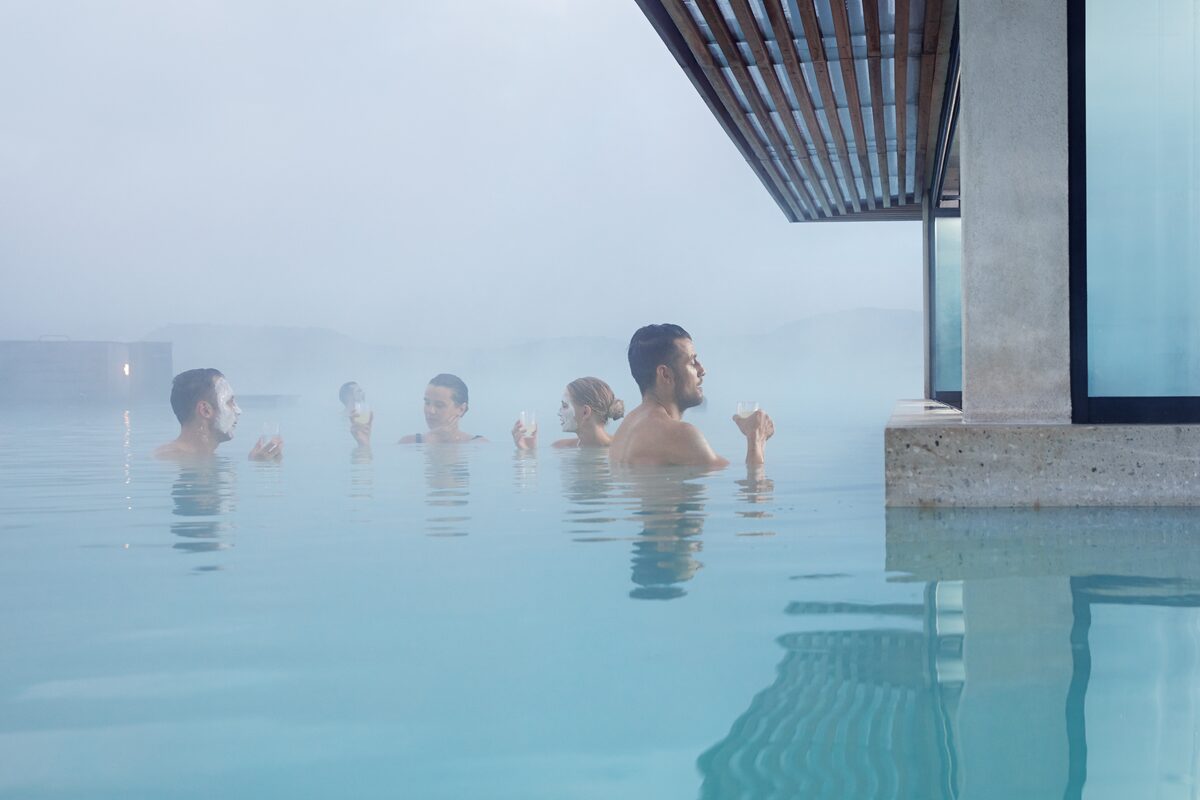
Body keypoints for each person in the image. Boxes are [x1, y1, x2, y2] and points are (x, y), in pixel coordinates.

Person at [609, 324, 774, 467]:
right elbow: (752, 485)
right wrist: (756, 438)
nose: (702, 370)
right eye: (692, 362)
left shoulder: (625, 429)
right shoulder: (679, 434)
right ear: (665, 374)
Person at [154, 368, 282, 461]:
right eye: (229, 402)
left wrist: (257, 462)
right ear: (205, 410)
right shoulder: (170, 459)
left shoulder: (201, 458)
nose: (238, 411)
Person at [511, 377, 625, 450]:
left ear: (585, 412)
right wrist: (528, 451)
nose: (559, 413)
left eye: (564, 406)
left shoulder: (624, 449)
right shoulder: (560, 447)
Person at [399, 373, 487, 444]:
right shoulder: (408, 443)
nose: (430, 411)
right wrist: (432, 438)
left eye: (439, 405)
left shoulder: (479, 445)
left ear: (461, 409)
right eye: (427, 403)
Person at [339, 381, 372, 447]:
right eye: (359, 391)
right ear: (349, 396)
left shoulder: (365, 416)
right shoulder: (341, 419)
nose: (363, 393)